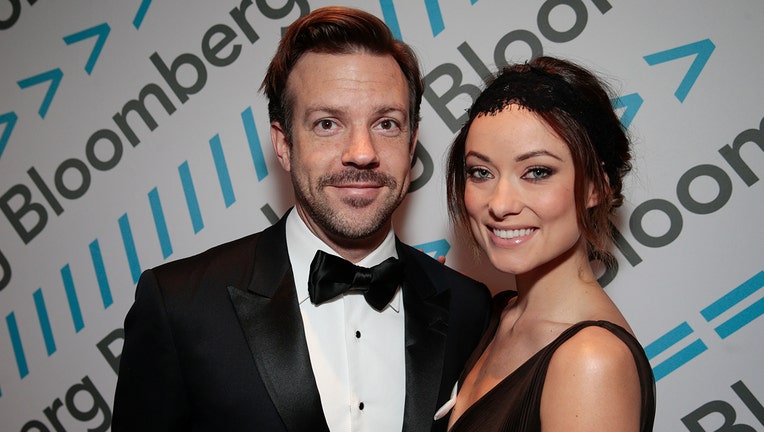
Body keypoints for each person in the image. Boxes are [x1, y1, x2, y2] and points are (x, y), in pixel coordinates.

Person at [111, 6, 491, 432]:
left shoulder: (469, 307)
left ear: (411, 142)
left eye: (386, 124)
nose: (362, 152)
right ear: (284, 143)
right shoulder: (180, 306)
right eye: (327, 123)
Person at [444, 56, 656, 431]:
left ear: (595, 186)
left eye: (537, 172)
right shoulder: (498, 315)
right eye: (481, 172)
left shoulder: (592, 361)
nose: (500, 204)